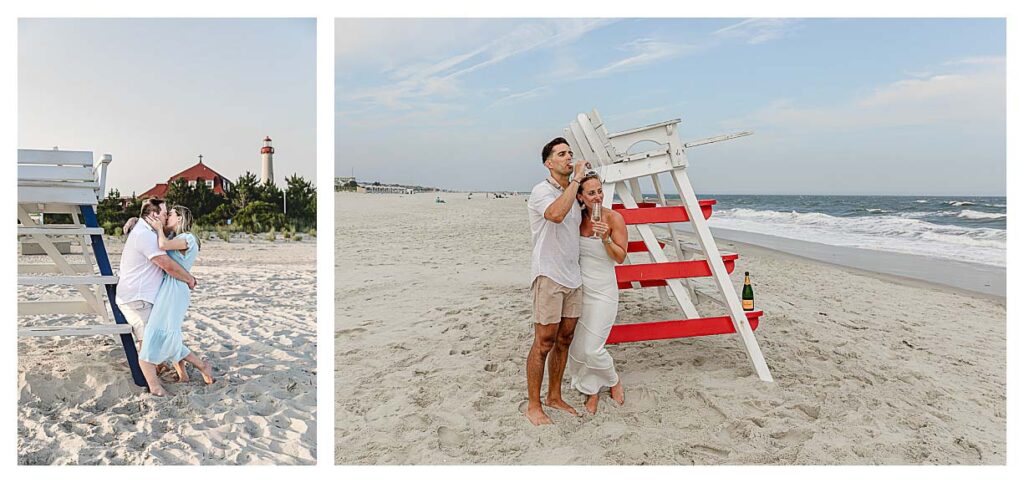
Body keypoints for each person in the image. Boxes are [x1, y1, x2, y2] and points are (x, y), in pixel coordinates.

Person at [524, 137, 590, 425]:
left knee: (565, 340)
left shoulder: (574, 195)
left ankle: (554, 396)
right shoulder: (542, 191)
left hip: (572, 277)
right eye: (562, 154)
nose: (568, 158)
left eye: (570, 153)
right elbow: (554, 215)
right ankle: (534, 405)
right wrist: (576, 181)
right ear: (548, 163)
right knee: (544, 342)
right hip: (548, 275)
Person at [136, 205, 215, 397]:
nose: (166, 217)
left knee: (161, 330)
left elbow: (162, 245)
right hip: (170, 287)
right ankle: (184, 373)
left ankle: (203, 366)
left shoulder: (187, 238)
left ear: (179, 218)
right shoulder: (178, 239)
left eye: (170, 214)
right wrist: (134, 222)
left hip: (175, 288)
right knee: (170, 331)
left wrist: (158, 229)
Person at [566, 174, 627, 414]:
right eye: (591, 193)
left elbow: (620, 257)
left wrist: (605, 239)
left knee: (593, 348)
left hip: (604, 291)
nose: (598, 196)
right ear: (580, 197)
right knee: (579, 348)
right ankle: (592, 391)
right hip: (581, 291)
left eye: (600, 191)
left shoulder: (614, 218)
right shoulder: (576, 219)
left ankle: (613, 380)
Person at [116, 199, 196, 357]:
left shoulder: (170, 235)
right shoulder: (148, 234)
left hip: (160, 292)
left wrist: (137, 219)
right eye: (165, 214)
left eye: (169, 214)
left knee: (166, 334)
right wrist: (189, 279)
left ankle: (173, 369)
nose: (166, 218)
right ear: (154, 215)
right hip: (147, 295)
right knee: (159, 337)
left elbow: (165, 244)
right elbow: (166, 263)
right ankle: (195, 366)